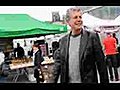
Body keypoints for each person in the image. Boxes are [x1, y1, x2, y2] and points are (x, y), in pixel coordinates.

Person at [52, 7, 109, 83]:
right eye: (75, 17)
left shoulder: (92, 37)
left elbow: (102, 66)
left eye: (80, 17)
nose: (79, 20)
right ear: (68, 22)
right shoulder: (63, 41)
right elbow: (57, 67)